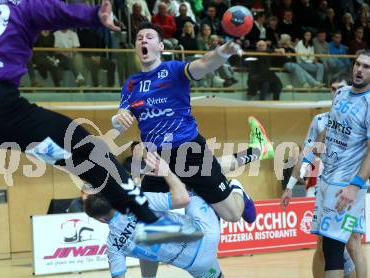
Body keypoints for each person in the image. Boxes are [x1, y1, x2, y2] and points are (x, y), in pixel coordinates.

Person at [0, 0, 202, 244]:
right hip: (4, 113)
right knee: (91, 155)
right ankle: (148, 221)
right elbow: (57, 12)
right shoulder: (22, 7)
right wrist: (94, 16)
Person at [112, 22, 274, 230]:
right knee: (147, 220)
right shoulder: (131, 84)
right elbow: (119, 118)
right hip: (157, 159)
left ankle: (237, 188)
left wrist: (223, 52)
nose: (143, 39)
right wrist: (118, 119)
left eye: (150, 36)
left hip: (190, 149)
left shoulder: (174, 70)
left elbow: (205, 64)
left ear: (161, 46)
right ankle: (258, 150)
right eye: (139, 37)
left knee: (232, 214)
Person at [87, 153, 264, 278]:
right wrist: (167, 173)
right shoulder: (138, 201)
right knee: (198, 180)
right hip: (204, 233)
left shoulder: (113, 245)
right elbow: (182, 199)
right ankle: (238, 190)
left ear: (101, 219)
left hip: (197, 264)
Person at [292, 50, 370, 278]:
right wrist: (308, 159)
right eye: (357, 64)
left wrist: (355, 185)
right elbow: (328, 134)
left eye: (366, 66)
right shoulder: (341, 95)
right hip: (325, 182)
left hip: (346, 186)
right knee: (330, 246)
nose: (359, 70)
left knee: (335, 247)